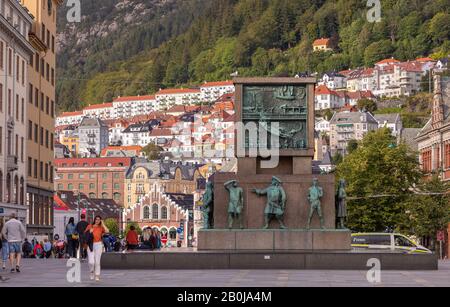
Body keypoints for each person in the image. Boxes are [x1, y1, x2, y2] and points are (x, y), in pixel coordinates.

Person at [85, 216, 109, 281]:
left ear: (100, 220)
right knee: (91, 262)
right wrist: (90, 232)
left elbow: (107, 231)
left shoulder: (101, 227)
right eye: (96, 219)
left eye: (99, 220)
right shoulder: (90, 226)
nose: (97, 221)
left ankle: (97, 275)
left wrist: (103, 224)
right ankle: (91, 272)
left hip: (98, 245)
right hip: (90, 245)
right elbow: (85, 235)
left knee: (97, 261)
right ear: (94, 220)